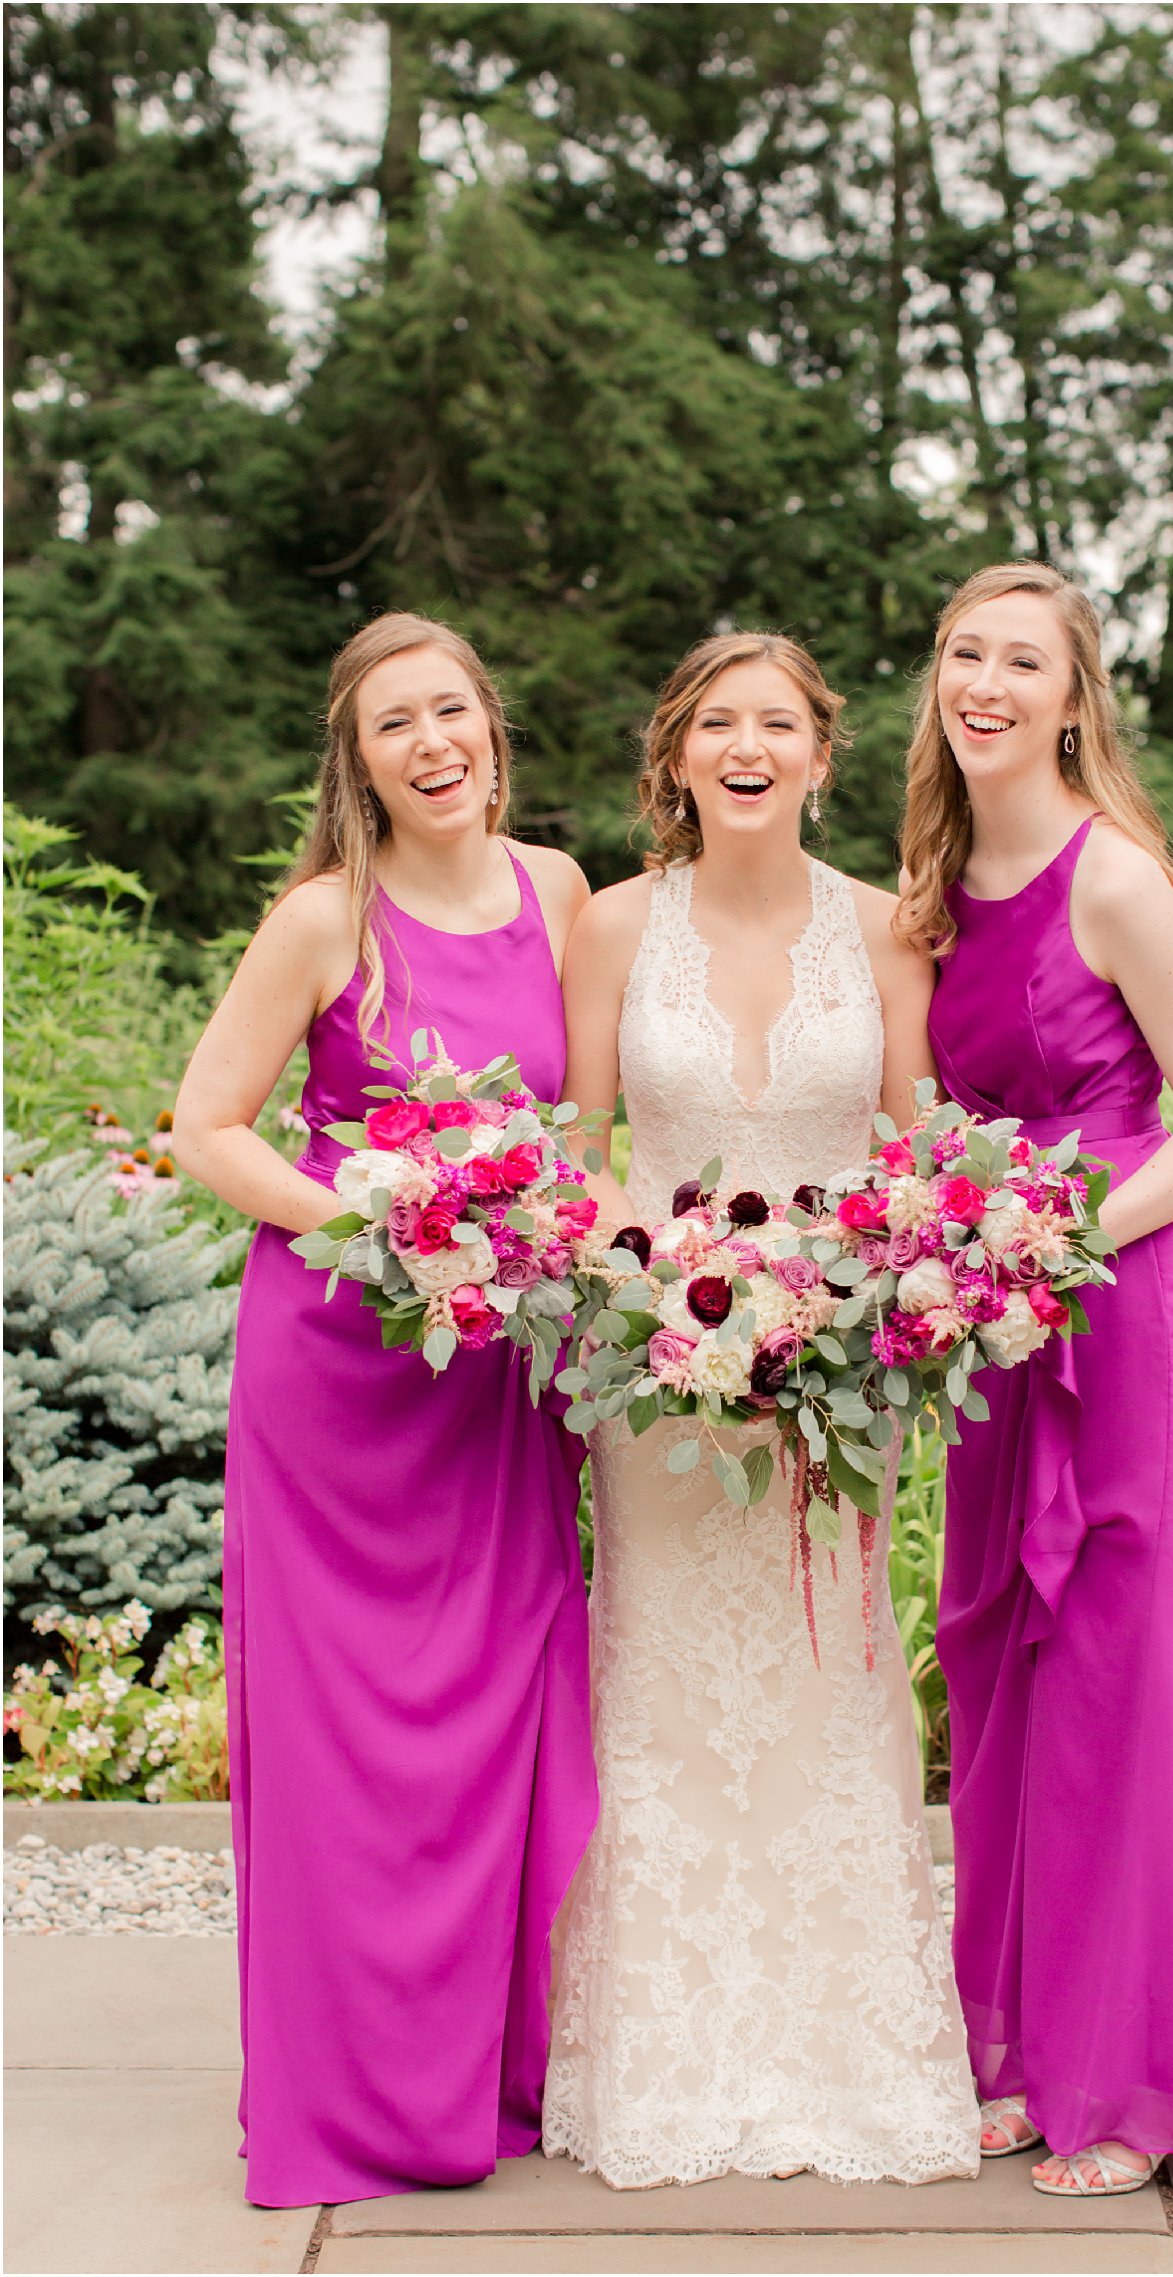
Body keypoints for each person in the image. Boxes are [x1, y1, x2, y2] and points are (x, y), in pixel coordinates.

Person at [540, 632, 981, 2189]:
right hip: (653, 1378)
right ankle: (665, 2053)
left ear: (819, 754)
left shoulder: (884, 930)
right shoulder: (605, 924)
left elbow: (920, 1154)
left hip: (838, 1385)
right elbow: (577, 1146)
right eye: (715, 722)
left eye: (775, 722)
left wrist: (861, 1307)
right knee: (662, 1677)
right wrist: (652, 1297)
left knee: (826, 1662)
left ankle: (840, 2052)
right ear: (674, 758)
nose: (746, 744)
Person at [174, 612, 598, 2208]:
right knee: (350, 1743)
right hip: (341, 1374)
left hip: (493, 1378)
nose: (432, 745)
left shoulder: (556, 891)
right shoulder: (319, 920)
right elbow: (207, 1121)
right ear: (356, 765)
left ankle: (489, 2074)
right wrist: (371, 1221)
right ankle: (349, 2104)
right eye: (392, 727)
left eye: (450, 711)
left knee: (493, 1719)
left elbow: (580, 1122)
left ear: (490, 722)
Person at [898, 561, 1173, 2194]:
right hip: (1003, 1329)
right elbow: (928, 1107)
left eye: (1023, 662)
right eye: (964, 654)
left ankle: (1140, 2087)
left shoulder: (1116, 878)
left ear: (1074, 698)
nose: (987, 683)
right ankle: (1016, 2048)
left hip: (1137, 1323)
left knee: (1132, 1688)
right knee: (999, 1669)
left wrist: (1062, 1242)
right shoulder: (935, 880)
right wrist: (944, 1229)